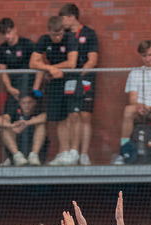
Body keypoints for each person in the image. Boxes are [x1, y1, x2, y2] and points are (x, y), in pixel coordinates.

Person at [32, 16, 80, 166]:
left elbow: (72, 63)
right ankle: (64, 152)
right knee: (59, 119)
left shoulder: (70, 38)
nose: (57, 37)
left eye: (60, 34)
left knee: (73, 115)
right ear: (49, 31)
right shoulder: (44, 40)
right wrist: (50, 69)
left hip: (70, 80)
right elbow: (33, 62)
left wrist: (54, 68)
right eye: (54, 35)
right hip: (54, 82)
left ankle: (74, 151)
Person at [111, 40, 151, 165]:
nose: (147, 59)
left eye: (150, 55)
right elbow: (132, 98)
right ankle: (123, 151)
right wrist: (139, 106)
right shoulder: (135, 73)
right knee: (128, 110)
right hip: (140, 108)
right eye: (144, 56)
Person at [60, 4, 100, 166]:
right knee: (71, 115)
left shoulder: (89, 33)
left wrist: (82, 73)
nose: (62, 22)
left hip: (85, 79)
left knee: (84, 115)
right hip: (69, 81)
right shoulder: (64, 36)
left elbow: (93, 60)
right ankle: (71, 151)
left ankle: (84, 154)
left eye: (63, 18)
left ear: (72, 17)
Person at [0, 17, 40, 113]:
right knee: (9, 116)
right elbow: (3, 72)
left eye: (9, 32)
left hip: (28, 87)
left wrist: (35, 88)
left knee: (29, 118)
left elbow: (39, 65)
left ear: (15, 29)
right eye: (4, 34)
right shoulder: (1, 49)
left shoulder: (27, 44)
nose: (7, 36)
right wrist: (9, 88)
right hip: (13, 88)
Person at [0, 90, 46, 166]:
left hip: (35, 149)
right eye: (23, 103)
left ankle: (34, 156)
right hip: (17, 146)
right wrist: (12, 126)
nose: (26, 105)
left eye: (29, 102)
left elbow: (46, 117)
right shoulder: (14, 110)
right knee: (4, 128)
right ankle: (17, 156)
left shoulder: (38, 109)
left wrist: (26, 123)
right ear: (19, 103)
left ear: (34, 102)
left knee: (41, 125)